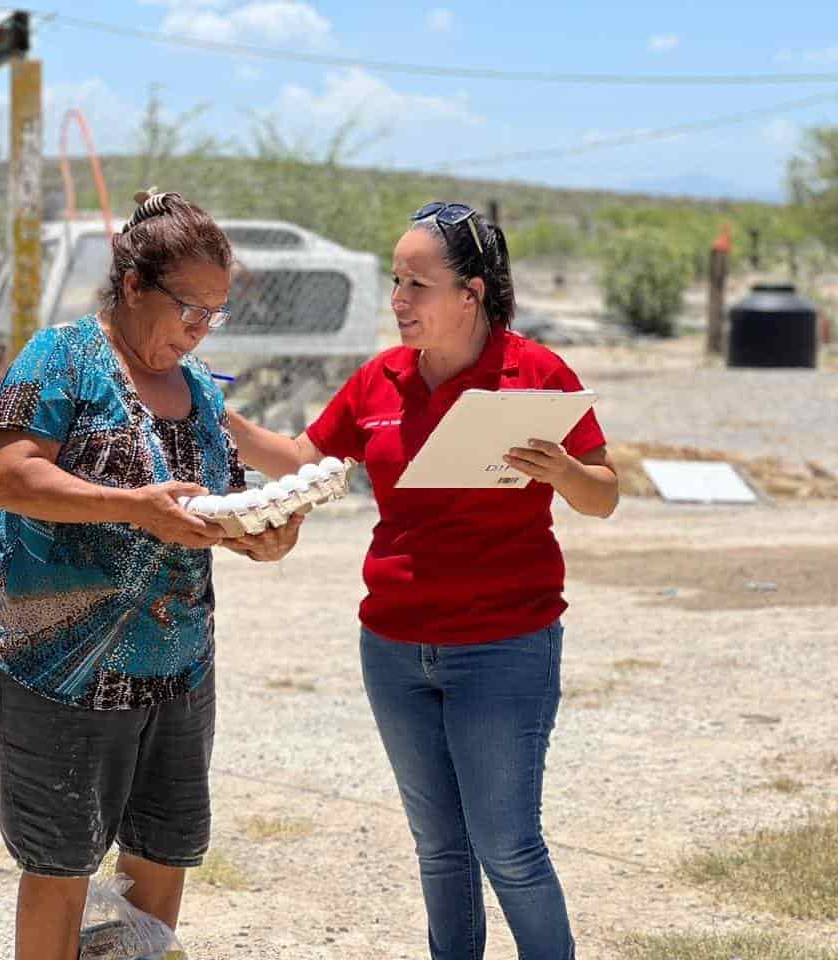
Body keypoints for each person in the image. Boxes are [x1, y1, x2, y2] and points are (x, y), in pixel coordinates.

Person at [227, 201, 618, 959]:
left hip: (505, 646)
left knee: (507, 847)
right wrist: (229, 423)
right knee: (439, 849)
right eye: (396, 281)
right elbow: (306, 458)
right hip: (395, 649)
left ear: (470, 293)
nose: (398, 300)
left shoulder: (535, 372)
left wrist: (566, 471)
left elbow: (603, 495)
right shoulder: (378, 380)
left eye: (417, 283)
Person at [0, 190, 303, 960]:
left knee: (163, 851)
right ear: (131, 285)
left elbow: (210, 505)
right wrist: (132, 507)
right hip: (55, 667)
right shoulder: (61, 358)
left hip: (178, 667)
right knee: (61, 866)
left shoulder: (203, 392)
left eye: (214, 314)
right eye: (188, 306)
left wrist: (259, 537)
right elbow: (9, 477)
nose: (198, 328)